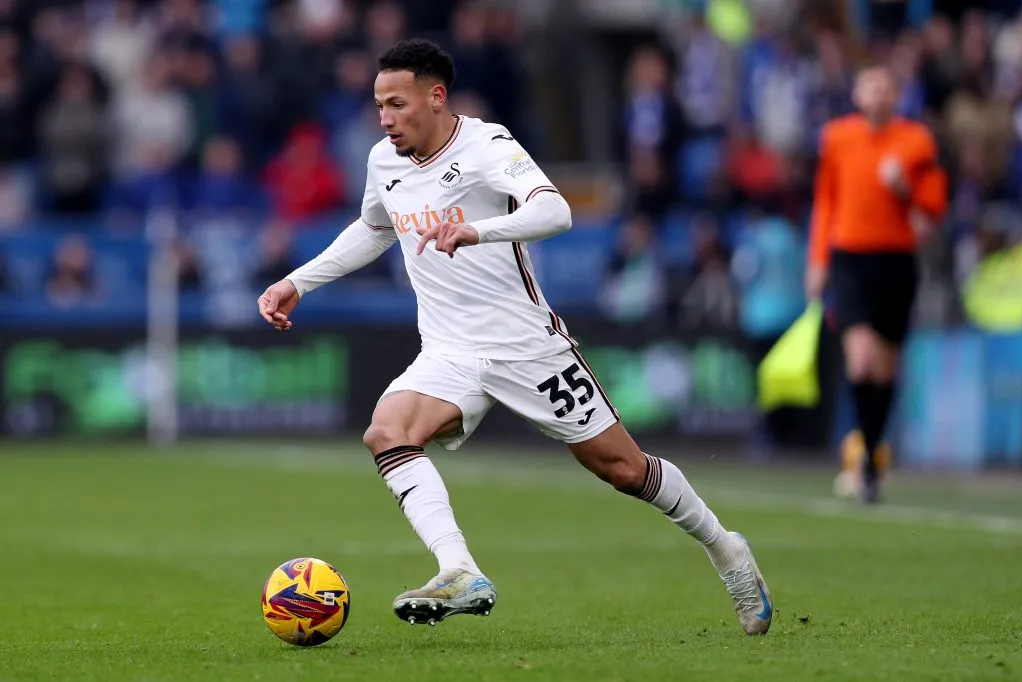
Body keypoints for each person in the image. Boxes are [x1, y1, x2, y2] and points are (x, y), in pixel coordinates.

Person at [258, 39, 773, 636]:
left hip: (527, 347)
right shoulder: (383, 162)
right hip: (449, 350)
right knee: (387, 431)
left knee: (624, 471)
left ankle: (725, 547)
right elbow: (375, 229)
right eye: (379, 106)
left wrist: (476, 231)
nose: (385, 119)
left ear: (436, 96)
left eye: (397, 104)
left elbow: (556, 212)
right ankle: (459, 570)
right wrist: (299, 280)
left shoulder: (487, 145)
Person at [806, 65, 948, 504]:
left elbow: (935, 206)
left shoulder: (916, 142)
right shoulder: (837, 138)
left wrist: (904, 187)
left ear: (896, 95)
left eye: (886, 87)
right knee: (861, 360)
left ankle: (869, 461)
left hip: (895, 260)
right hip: (850, 257)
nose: (878, 95)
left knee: (886, 368)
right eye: (871, 86)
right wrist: (817, 259)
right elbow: (825, 199)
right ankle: (867, 459)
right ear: (857, 93)